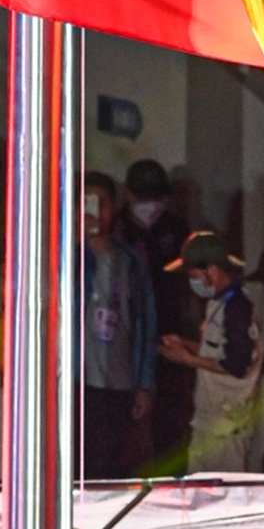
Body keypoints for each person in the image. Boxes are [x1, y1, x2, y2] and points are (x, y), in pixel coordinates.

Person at [159, 231, 263, 470]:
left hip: (226, 428)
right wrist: (184, 344)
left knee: (225, 490)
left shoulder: (238, 308)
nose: (192, 281)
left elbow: (237, 364)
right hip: (208, 423)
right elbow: (216, 350)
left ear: (211, 271)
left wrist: (187, 359)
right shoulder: (219, 303)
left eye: (193, 275)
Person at [80, 170, 155, 478]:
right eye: (87, 202)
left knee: (108, 464)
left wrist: (144, 384)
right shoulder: (63, 255)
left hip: (118, 379)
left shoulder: (131, 261)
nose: (96, 211)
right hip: (76, 378)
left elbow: (145, 323)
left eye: (103, 203)